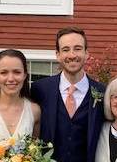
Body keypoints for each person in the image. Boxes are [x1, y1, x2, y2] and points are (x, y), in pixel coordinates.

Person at [31, 26, 105, 162]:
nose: (72, 55)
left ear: (86, 53)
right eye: (65, 50)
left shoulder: (103, 93)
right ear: (58, 55)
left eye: (77, 48)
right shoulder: (40, 89)